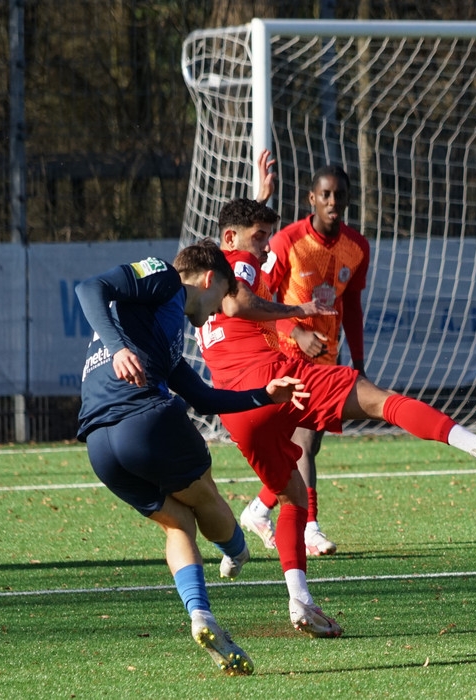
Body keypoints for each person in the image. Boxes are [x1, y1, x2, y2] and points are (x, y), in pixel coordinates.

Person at [197, 194, 476, 638]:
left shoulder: (203, 287)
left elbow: (234, 275)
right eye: (259, 238)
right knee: (377, 399)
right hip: (275, 378)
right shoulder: (240, 263)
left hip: (236, 410)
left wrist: (259, 197)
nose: (264, 247)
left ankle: (300, 600)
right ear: (230, 238)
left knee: (293, 495)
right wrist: (297, 310)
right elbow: (238, 301)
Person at [75, 241, 311, 675]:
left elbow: (204, 397)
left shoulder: (161, 337)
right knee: (207, 497)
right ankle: (237, 550)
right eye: (224, 294)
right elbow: (89, 287)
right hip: (143, 418)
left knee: (177, 522)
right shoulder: (165, 277)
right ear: (208, 278)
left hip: (99, 446)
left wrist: (264, 394)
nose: (222, 307)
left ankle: (200, 614)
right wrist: (119, 348)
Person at [240, 159, 369, 558]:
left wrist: (358, 363)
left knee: (301, 447)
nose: (332, 202)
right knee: (304, 442)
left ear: (347, 199)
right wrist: (295, 331)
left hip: (326, 357)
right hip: (286, 356)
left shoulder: (357, 247)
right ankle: (310, 527)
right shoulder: (287, 242)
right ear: (311, 198)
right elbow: (258, 299)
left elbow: (353, 307)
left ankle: (259, 509)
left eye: (339, 195)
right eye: (325, 194)